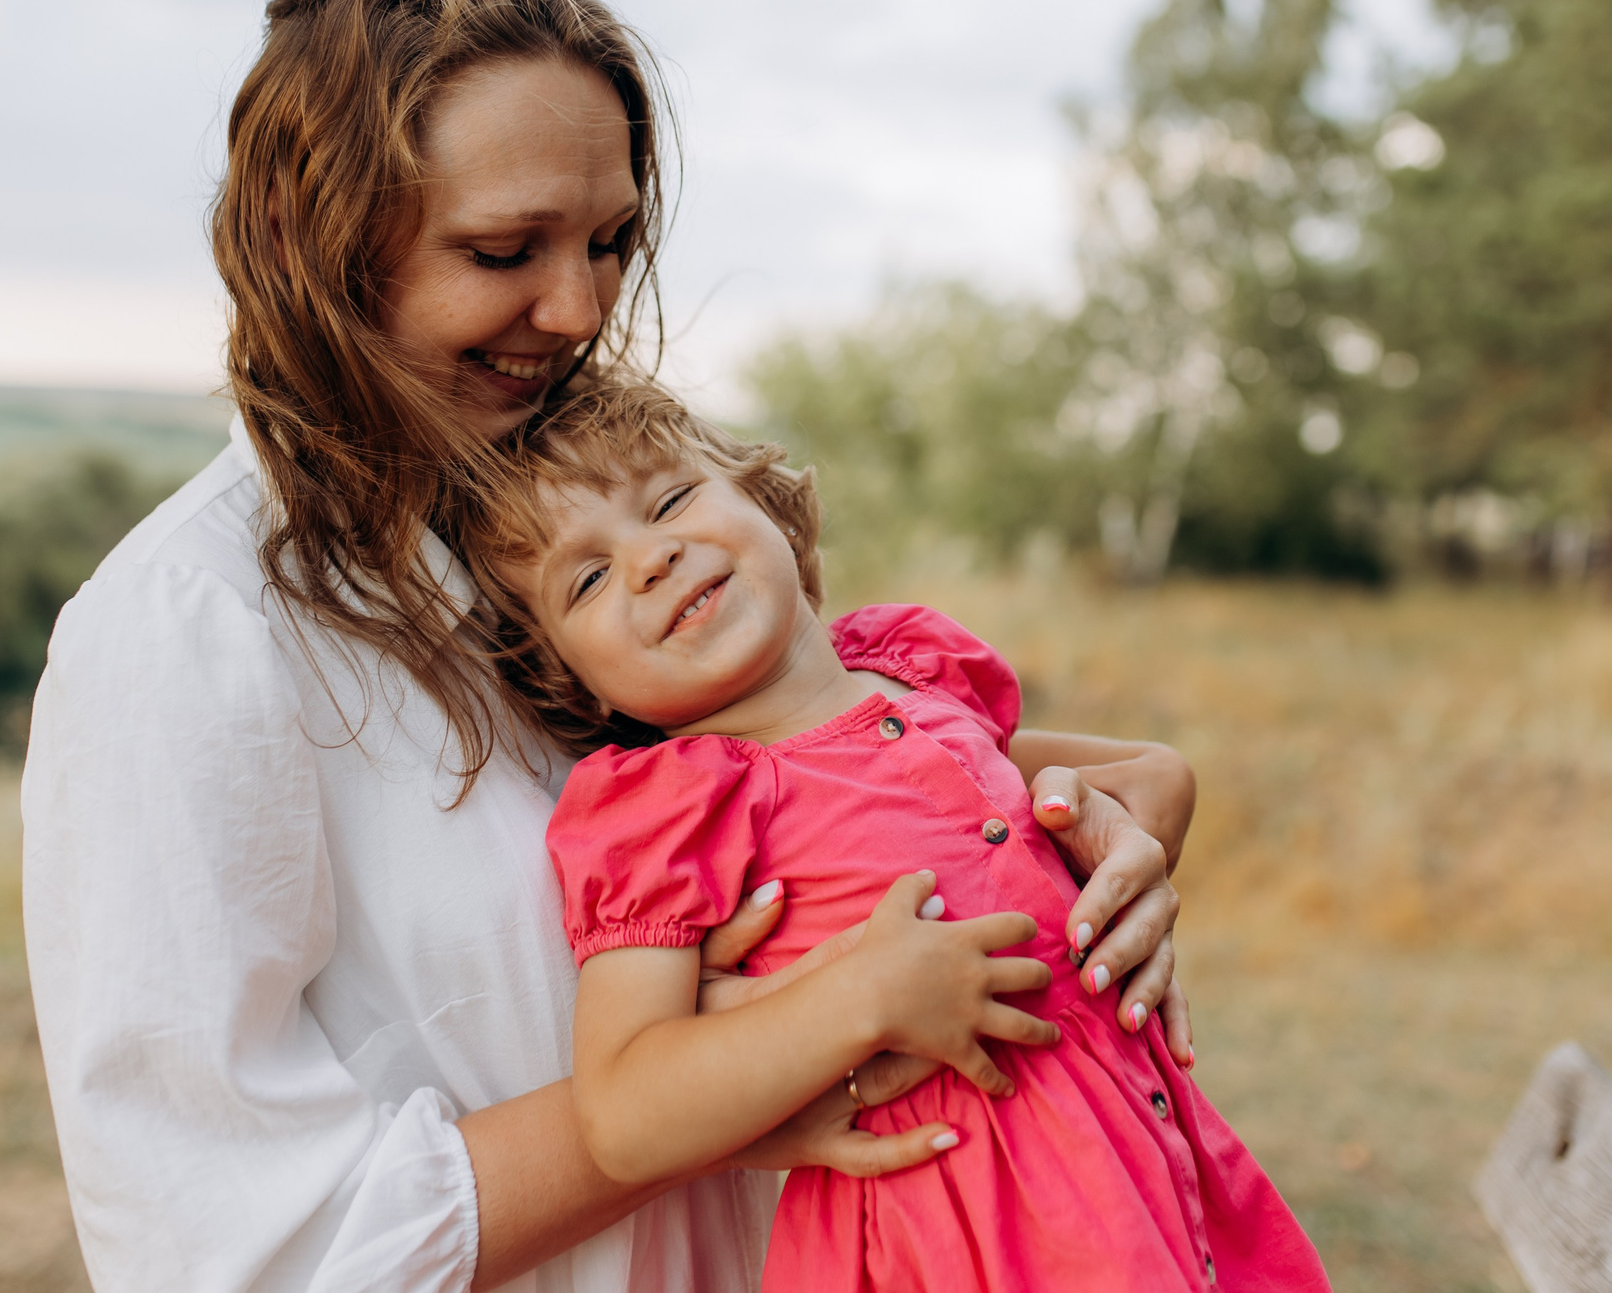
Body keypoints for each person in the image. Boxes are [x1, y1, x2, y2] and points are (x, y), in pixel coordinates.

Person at [20, 0, 1203, 1293]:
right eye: (505, 245)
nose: (579, 306)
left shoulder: (551, 553)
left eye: (609, 237)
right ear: (310, 243)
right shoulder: (185, 635)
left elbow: (870, 777)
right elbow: (230, 1245)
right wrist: (751, 1073)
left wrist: (1112, 830)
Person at [452, 373, 1328, 1293]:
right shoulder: (670, 804)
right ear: (573, 681)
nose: (651, 558)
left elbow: (1136, 775)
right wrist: (860, 998)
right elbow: (626, 1111)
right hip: (961, 1225)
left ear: (768, 502)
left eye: (670, 498)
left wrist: (1159, 792)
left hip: (1146, 1167)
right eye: (588, 577)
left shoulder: (914, 673)